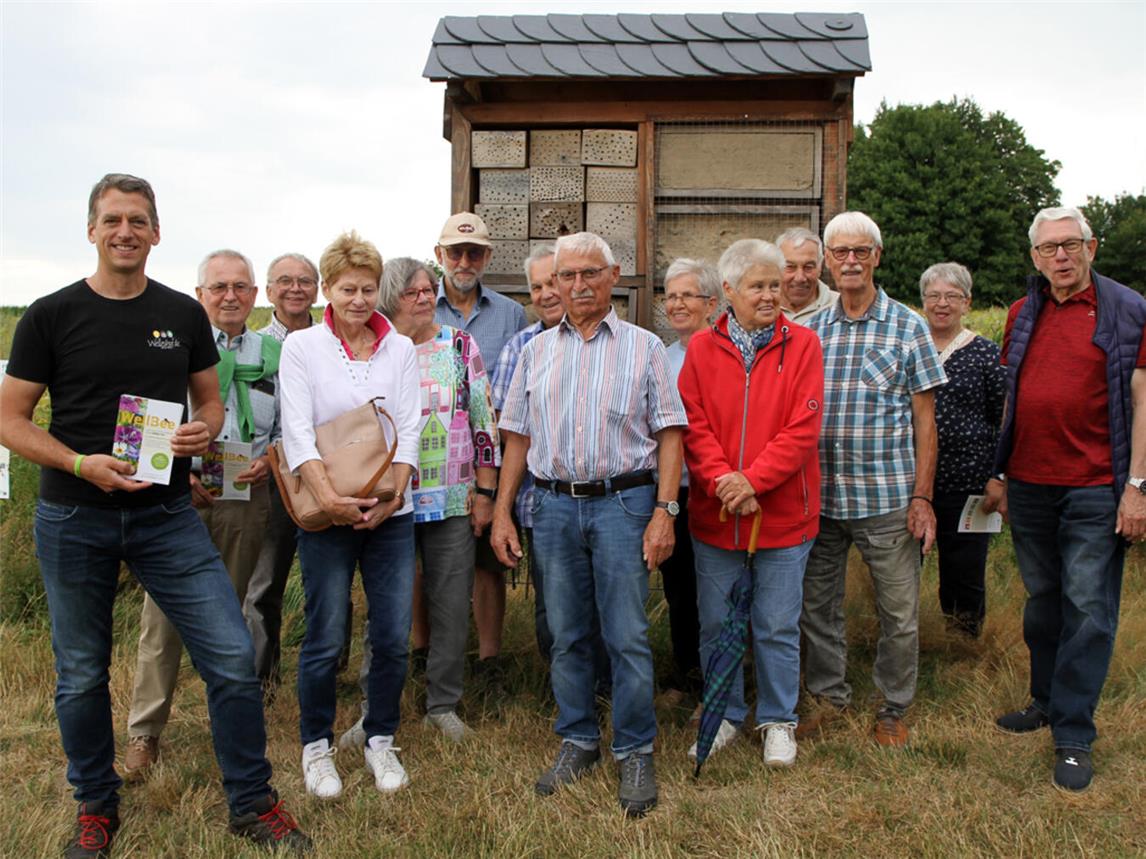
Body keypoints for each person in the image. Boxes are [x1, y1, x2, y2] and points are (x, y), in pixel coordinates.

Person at [0, 173, 310, 856]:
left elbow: (210, 403)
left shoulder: (181, 314)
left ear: (156, 232)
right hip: (75, 515)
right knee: (81, 673)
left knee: (230, 656)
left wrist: (203, 430)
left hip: (166, 514)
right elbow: (10, 419)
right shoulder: (51, 315)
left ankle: (252, 802)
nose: (125, 232)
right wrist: (79, 463)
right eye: (113, 219)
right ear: (92, 229)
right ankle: (95, 805)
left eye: (138, 220)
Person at [490, 231, 687, 817]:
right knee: (567, 634)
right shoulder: (535, 352)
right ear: (555, 281)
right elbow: (517, 436)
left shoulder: (644, 347)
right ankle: (578, 739)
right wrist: (502, 511)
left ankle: (635, 748)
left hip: (623, 505)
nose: (577, 286)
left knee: (626, 634)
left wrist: (665, 512)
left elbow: (670, 434)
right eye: (567, 276)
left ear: (613, 276)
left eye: (589, 274)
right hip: (552, 508)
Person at [984, 206, 1146, 792]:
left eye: (1071, 245)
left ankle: (1074, 733)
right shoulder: (1023, 312)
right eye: (1049, 248)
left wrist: (1137, 487)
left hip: (1095, 486)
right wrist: (1000, 472)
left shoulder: (1128, 308)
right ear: (1035, 256)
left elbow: (1142, 398)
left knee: (1089, 607)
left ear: (1091, 248)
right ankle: (1046, 701)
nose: (1061, 256)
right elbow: (1013, 396)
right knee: (1044, 601)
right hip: (1030, 483)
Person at [124, 249, 281, 779]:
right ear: (199, 295)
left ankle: (230, 728)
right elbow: (144, 417)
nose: (230, 296)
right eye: (219, 287)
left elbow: (291, 423)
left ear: (255, 295)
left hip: (245, 495)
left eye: (240, 287)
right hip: (177, 497)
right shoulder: (172, 346)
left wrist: (271, 458)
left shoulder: (275, 353)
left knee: (230, 619)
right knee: (162, 618)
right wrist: (174, 475)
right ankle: (145, 732)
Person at [279, 231, 420, 799]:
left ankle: (380, 738)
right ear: (328, 290)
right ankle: (316, 746)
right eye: (347, 289)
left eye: (367, 289)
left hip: (390, 512)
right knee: (326, 632)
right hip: (328, 510)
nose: (359, 300)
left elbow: (408, 427)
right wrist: (329, 501)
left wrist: (393, 499)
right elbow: (296, 430)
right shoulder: (303, 347)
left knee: (390, 633)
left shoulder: (399, 349)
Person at [801, 211, 947, 748]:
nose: (850, 261)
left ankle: (892, 706)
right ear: (827, 260)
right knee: (817, 607)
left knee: (899, 612)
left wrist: (922, 497)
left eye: (860, 251)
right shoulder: (811, 331)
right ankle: (829, 697)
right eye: (840, 252)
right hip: (821, 499)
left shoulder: (908, 326)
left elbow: (926, 422)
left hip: (887, 498)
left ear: (877, 257)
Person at [678, 240, 823, 768]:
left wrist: (753, 482)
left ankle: (779, 719)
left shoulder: (803, 345)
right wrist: (723, 481)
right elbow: (692, 423)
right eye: (757, 286)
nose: (769, 295)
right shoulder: (700, 349)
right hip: (717, 516)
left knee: (777, 625)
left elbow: (803, 427)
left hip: (782, 516)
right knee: (717, 624)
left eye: (774, 285)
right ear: (729, 291)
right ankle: (724, 714)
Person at [372, 257, 500, 743]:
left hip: (451, 498)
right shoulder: (375, 351)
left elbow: (483, 421)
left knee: (449, 603)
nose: (426, 298)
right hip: (390, 500)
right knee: (385, 606)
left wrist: (485, 493)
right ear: (392, 298)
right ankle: (373, 706)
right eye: (413, 292)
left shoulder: (458, 345)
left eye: (429, 289)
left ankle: (442, 705)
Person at [433, 212, 527, 706]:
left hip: (491, 456)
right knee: (424, 561)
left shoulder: (510, 314)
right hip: (436, 455)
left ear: (487, 257)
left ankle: (489, 662)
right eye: (456, 252)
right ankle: (422, 653)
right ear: (439, 256)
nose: (464, 261)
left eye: (474, 253)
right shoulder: (420, 306)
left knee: (488, 563)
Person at [244, 252, 320, 692]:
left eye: (305, 281)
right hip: (270, 480)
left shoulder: (332, 342)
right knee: (264, 581)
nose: (295, 288)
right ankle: (261, 679)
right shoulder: (254, 348)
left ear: (318, 289)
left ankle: (326, 671)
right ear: (269, 291)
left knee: (325, 579)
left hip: (323, 477)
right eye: (285, 281)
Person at [919, 262, 1005, 637]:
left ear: (967, 303)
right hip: (913, 482)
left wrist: (999, 476)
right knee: (903, 568)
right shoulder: (910, 347)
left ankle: (963, 645)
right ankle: (910, 640)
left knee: (965, 571)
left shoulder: (986, 354)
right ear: (923, 301)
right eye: (934, 296)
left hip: (970, 484)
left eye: (952, 296)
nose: (942, 304)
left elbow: (1004, 419)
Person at [659, 258, 720, 701]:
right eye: (671, 296)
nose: (678, 304)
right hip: (674, 491)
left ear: (711, 304)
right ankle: (687, 673)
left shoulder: (726, 352)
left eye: (688, 296)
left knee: (714, 588)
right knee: (678, 587)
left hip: (715, 490)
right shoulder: (662, 358)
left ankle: (721, 679)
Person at [776, 227, 838, 324]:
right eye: (790, 267)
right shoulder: (761, 307)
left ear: (820, 268)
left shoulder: (839, 307)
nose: (800, 278)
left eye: (808, 267)